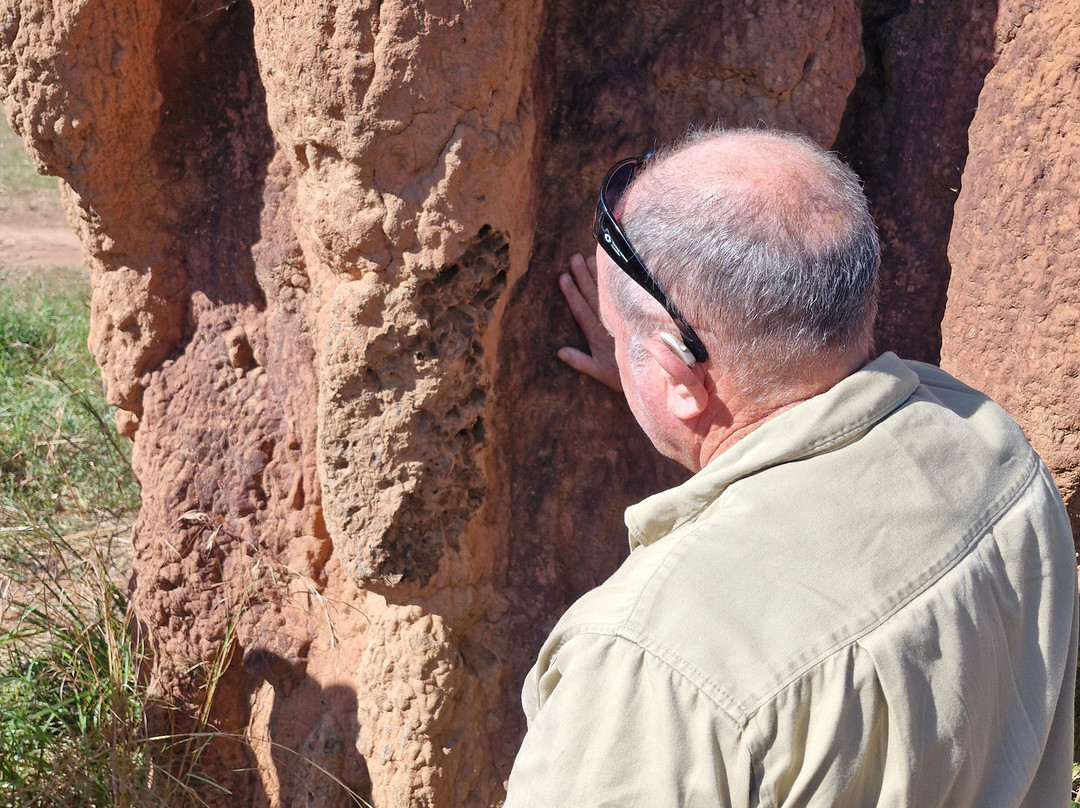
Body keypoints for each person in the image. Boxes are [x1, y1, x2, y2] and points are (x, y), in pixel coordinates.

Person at [502, 127, 1078, 807]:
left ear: (677, 374)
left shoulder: (647, 667)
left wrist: (671, 389)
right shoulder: (994, 452)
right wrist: (663, 383)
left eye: (622, 333)